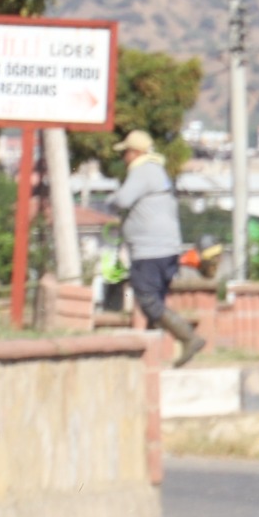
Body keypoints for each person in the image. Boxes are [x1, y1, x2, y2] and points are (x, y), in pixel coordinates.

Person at [108, 129, 205, 366]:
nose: (124, 158)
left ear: (134, 152)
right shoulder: (157, 171)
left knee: (147, 299)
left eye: (125, 153)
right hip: (166, 248)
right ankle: (152, 361)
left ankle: (188, 337)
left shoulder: (143, 172)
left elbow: (122, 200)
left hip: (149, 250)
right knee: (156, 301)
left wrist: (109, 201)